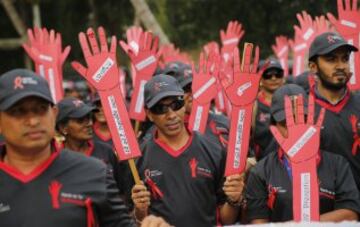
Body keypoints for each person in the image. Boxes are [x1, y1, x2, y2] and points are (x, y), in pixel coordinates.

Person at [0, 69, 168, 227]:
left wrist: (144, 220)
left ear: (54, 114)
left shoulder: (94, 173)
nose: (33, 121)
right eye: (18, 112)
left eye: (41, 110)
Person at [130, 74, 244, 226]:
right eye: (160, 108)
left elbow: (226, 219)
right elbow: (136, 220)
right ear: (149, 114)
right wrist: (139, 210)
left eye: (176, 104)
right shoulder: (138, 158)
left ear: (184, 104)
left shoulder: (214, 150)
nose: (171, 115)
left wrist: (234, 200)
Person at [245, 84, 360, 223]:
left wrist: (306, 223)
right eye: (286, 123)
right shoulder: (261, 171)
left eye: (302, 120)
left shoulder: (337, 164)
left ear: (312, 121)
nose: (295, 130)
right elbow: (258, 222)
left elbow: (351, 213)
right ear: (274, 127)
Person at [307, 32, 360, 189]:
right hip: (321, 207)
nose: (341, 66)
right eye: (331, 59)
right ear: (313, 66)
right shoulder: (301, 109)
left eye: (345, 58)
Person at [56, 97, 125, 196]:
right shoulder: (55, 157)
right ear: (63, 127)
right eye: (80, 120)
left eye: (89, 118)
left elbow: (121, 191)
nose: (90, 123)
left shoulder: (106, 151)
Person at [252, 59, 285, 160]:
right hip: (262, 164)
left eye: (278, 74)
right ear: (260, 79)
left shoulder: (291, 101)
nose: (274, 78)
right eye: (268, 75)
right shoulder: (253, 105)